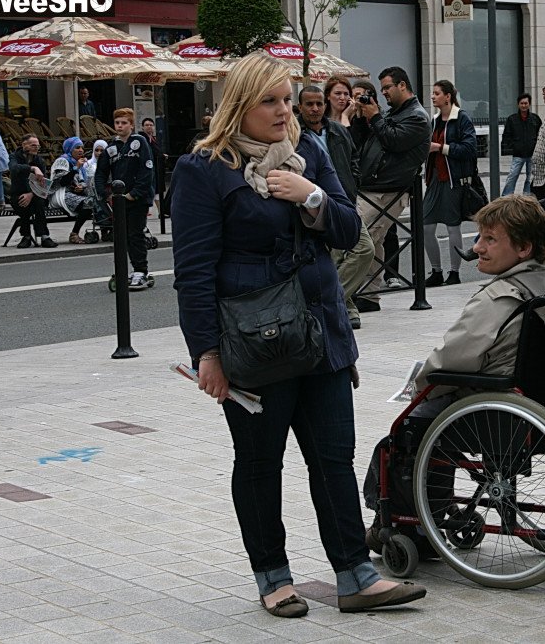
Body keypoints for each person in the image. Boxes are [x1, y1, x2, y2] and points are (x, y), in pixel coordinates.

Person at [170, 51, 427, 618]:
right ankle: (273, 577)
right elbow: (192, 273)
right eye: (271, 101)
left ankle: (356, 575)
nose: (285, 110)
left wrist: (307, 194)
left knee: (333, 459)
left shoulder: (308, 151)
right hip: (255, 343)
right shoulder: (205, 168)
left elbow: (348, 226)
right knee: (261, 463)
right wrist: (206, 354)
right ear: (239, 105)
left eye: (288, 99)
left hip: (322, 333)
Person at [413, 193, 545, 414]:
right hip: (543, 398)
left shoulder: (498, 298)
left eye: (490, 239)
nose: (477, 248)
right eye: (479, 237)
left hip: (493, 403)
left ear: (523, 248)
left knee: (402, 431)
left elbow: (451, 360)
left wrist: (418, 390)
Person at [353, 66, 432, 310]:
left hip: (388, 190)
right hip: (373, 186)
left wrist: (375, 116)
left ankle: (357, 293)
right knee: (372, 240)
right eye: (382, 88)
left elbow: (395, 142)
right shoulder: (395, 113)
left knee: (360, 236)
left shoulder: (417, 116)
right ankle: (367, 296)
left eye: (387, 87)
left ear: (402, 85)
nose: (384, 93)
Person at [298, 84, 375, 329]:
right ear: (300, 106)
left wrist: (351, 185)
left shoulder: (338, 131)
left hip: (341, 202)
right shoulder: (293, 134)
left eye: (319, 103)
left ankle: (332, 301)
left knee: (364, 249)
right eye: (309, 104)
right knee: (330, 257)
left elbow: (353, 159)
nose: (315, 108)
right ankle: (345, 308)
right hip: (311, 205)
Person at [348, 80, 403, 290]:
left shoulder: (382, 117)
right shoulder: (353, 119)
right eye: (355, 96)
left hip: (380, 185)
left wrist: (372, 116)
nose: (358, 100)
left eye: (362, 95)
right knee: (370, 238)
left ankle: (388, 276)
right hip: (362, 183)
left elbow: (387, 141)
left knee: (382, 234)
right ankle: (367, 290)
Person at [94, 108, 155, 289]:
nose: (120, 126)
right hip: (118, 201)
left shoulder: (139, 142)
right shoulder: (111, 147)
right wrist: (104, 195)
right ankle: (122, 270)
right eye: (117, 123)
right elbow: (101, 173)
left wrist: (134, 193)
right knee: (121, 237)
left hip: (137, 199)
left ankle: (140, 270)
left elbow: (147, 171)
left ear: (131, 125)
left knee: (135, 234)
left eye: (124, 123)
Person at [424, 79, 476, 287]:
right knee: (426, 226)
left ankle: (454, 273)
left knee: (453, 227)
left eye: (437, 93)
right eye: (433, 93)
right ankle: (436, 271)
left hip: (454, 180)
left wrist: (440, 147)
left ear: (448, 96)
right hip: (434, 179)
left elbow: (469, 149)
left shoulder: (461, 119)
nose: (433, 96)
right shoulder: (435, 120)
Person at [8, 134, 56, 248]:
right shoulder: (14, 156)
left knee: (39, 202)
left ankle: (44, 236)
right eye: (33, 145)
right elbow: (14, 169)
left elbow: (43, 184)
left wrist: (31, 194)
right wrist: (32, 168)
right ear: (24, 145)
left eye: (38, 146)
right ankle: (26, 236)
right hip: (18, 193)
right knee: (22, 202)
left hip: (35, 194)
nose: (36, 148)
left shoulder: (39, 160)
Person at [48, 136, 96, 244]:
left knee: (96, 199)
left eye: (82, 148)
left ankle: (106, 229)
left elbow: (82, 182)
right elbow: (62, 182)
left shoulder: (79, 163)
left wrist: (81, 187)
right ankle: (74, 233)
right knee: (88, 203)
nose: (81, 150)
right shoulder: (62, 161)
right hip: (61, 193)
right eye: (77, 148)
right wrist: (75, 168)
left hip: (74, 193)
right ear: (70, 149)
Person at [501, 93, 543, 195]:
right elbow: (506, 136)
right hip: (518, 154)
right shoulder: (512, 119)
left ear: (529, 104)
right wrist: (513, 147)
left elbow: (541, 134)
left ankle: (527, 196)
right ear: (518, 104)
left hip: (533, 154)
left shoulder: (535, 119)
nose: (524, 105)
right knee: (512, 176)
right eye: (522, 103)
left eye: (526, 103)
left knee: (530, 177)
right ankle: (506, 197)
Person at [141, 118, 168, 217]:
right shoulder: (143, 139)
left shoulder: (152, 138)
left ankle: (161, 211)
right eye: (147, 125)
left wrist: (162, 155)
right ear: (142, 127)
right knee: (152, 191)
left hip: (157, 168)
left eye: (151, 125)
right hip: (149, 170)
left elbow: (156, 151)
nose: (149, 127)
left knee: (157, 191)